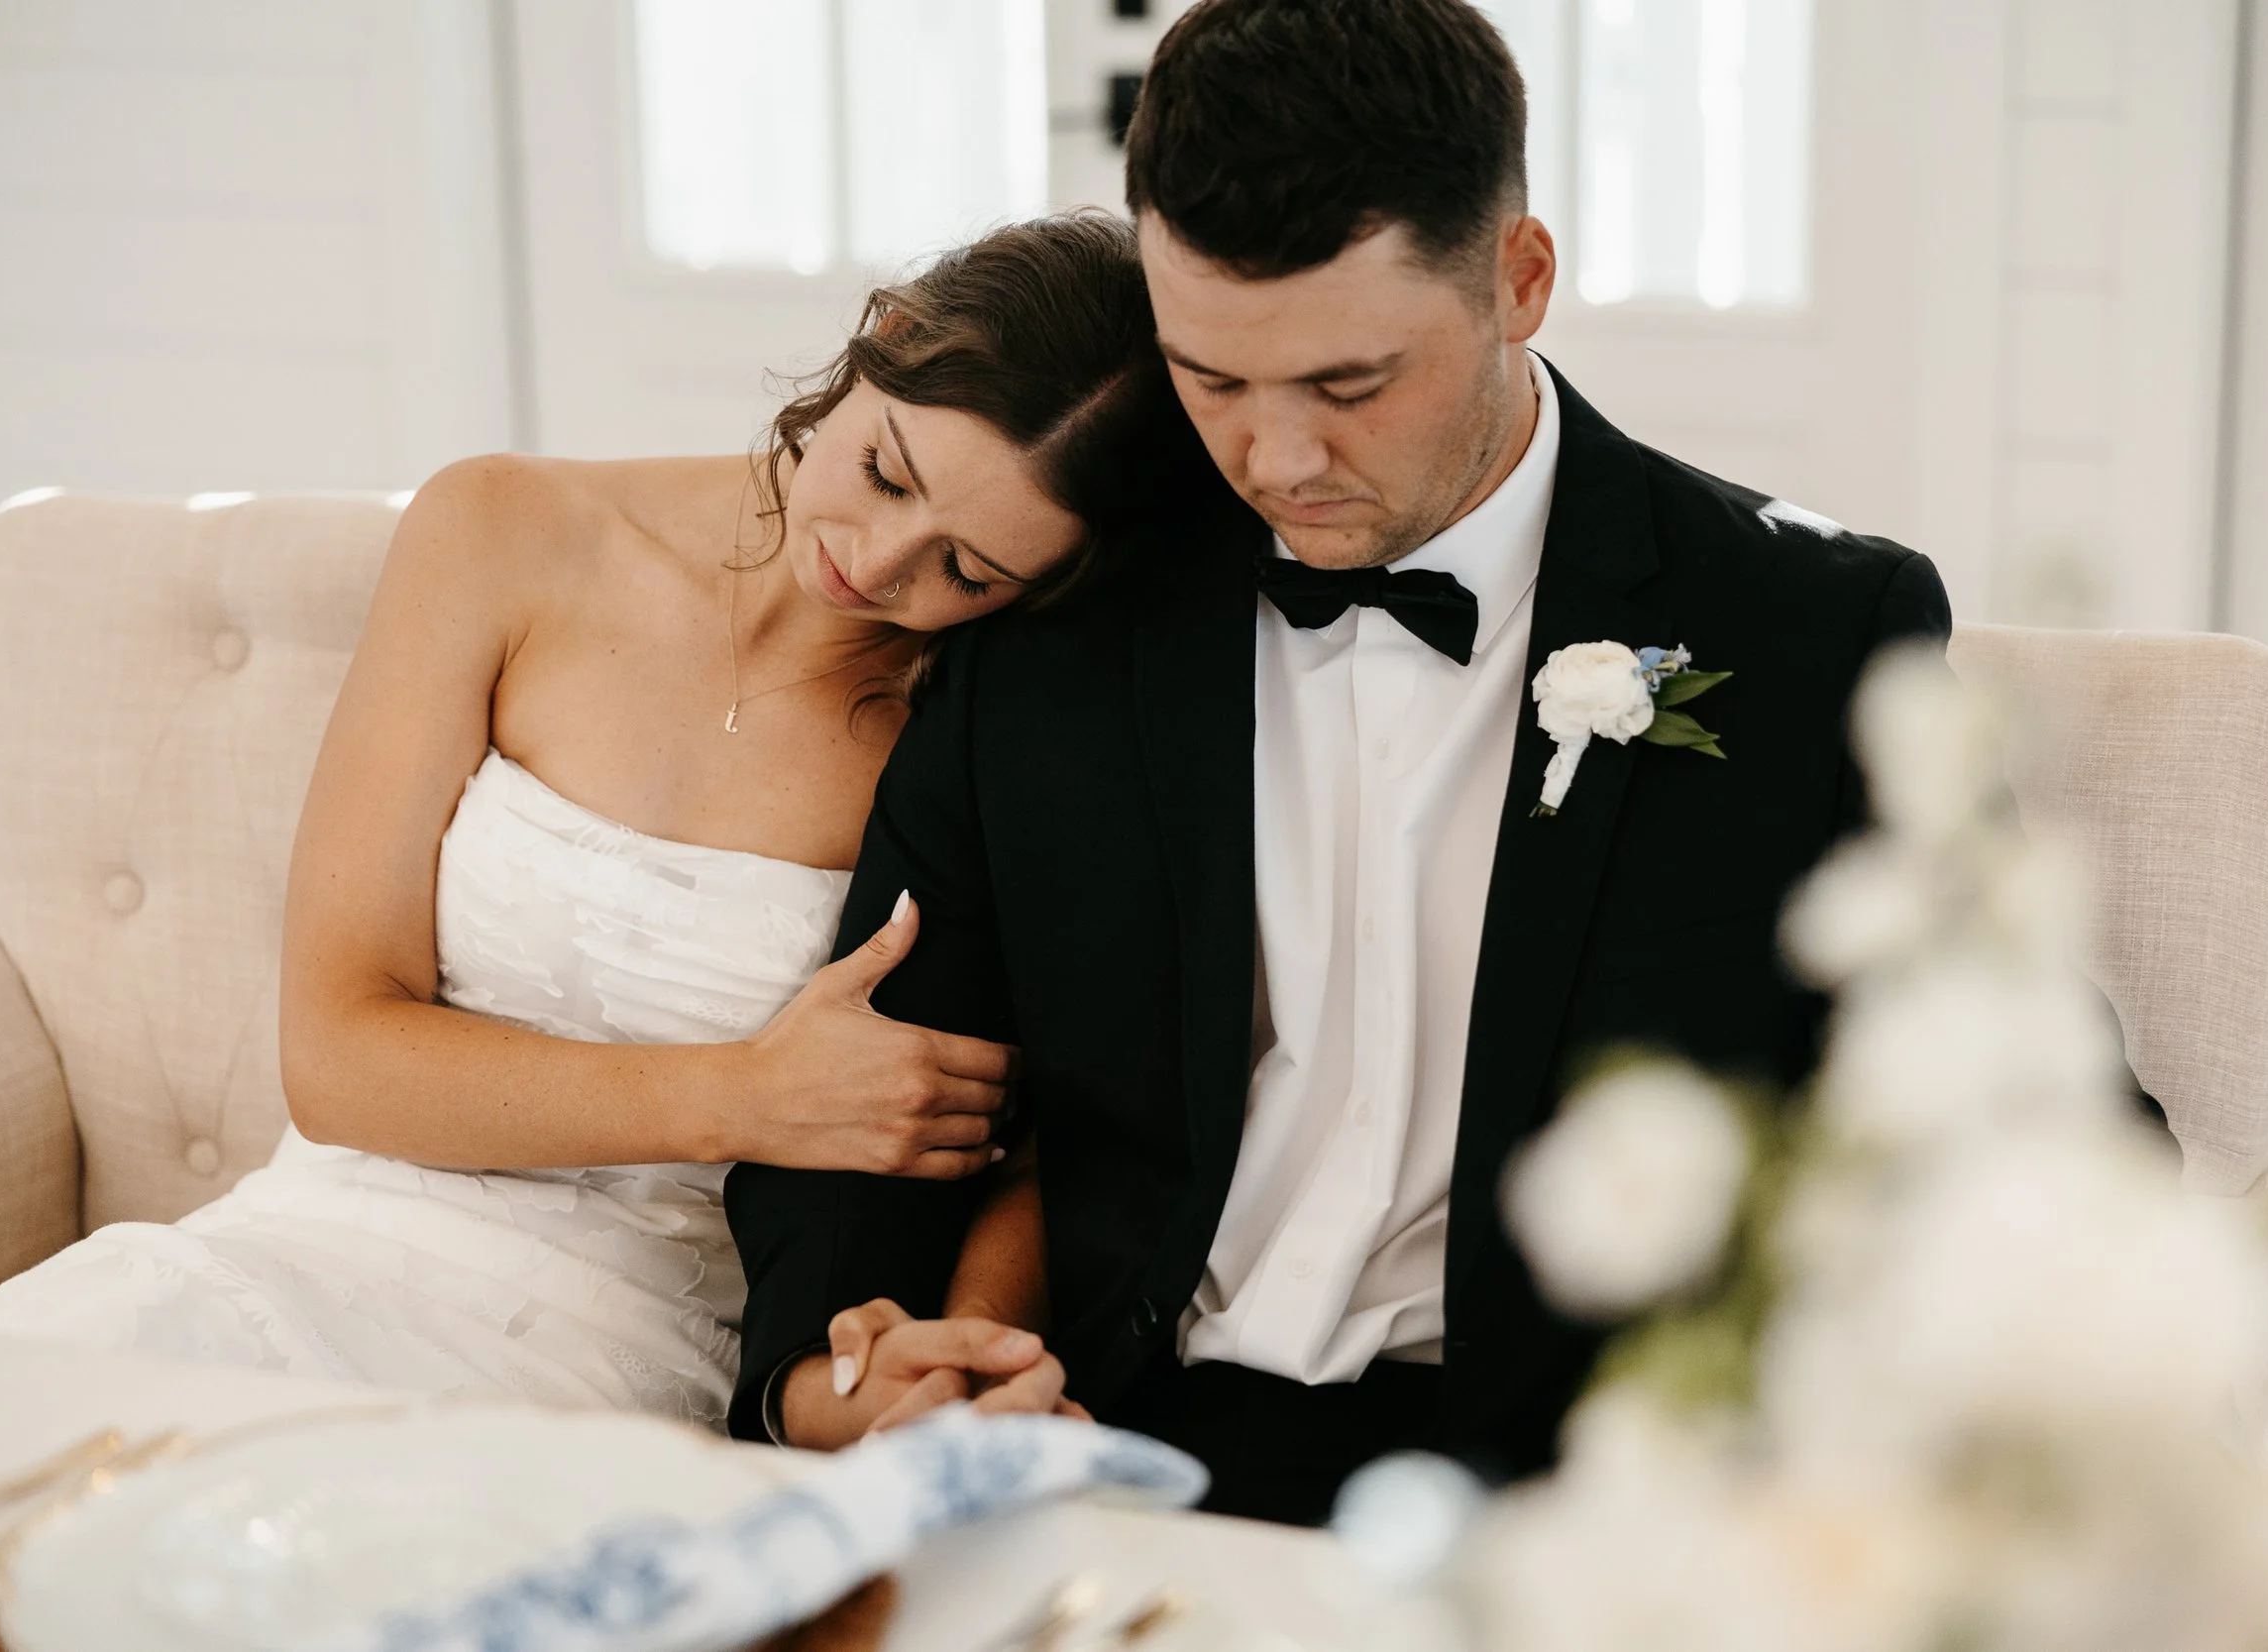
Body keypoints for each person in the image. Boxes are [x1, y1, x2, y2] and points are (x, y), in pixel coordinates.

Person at [722, 0, 1962, 1522]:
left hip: (1581, 1500)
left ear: (1521, 280)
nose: (1274, 461)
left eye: (1350, 385)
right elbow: (883, 1075)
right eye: (1211, 379)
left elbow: (2011, 1112)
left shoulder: (1807, 633)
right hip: (1110, 1448)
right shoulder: (1063, 603)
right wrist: (831, 1379)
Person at [0, 214, 1206, 1430]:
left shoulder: (979, 733)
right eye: (886, 471)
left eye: (968, 572)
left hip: (621, 1351)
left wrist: (934, 1364)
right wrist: (741, 1095)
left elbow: (1039, 1137)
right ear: (879, 337)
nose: (879, 568)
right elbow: (336, 1057)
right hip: (297, 1251)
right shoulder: (498, 531)